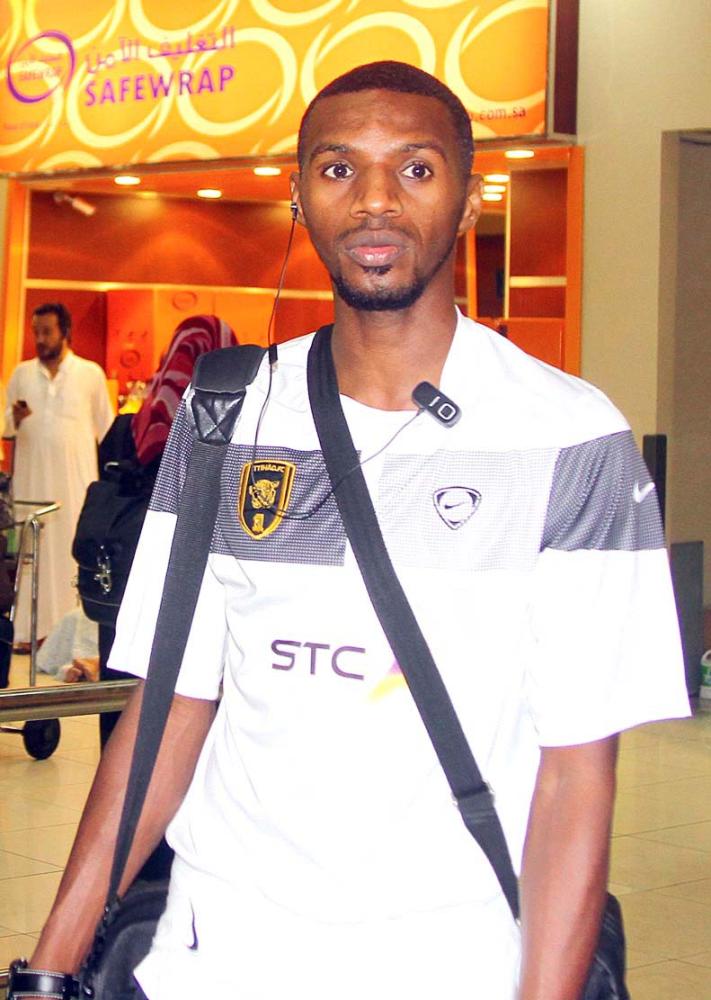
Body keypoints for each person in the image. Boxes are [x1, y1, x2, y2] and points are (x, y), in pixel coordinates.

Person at [21, 62, 689, 1000]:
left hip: (454, 964)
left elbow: (576, 776)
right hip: (213, 960)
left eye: (415, 168)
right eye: (339, 169)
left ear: (468, 199)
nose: (375, 199)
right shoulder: (225, 417)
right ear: (299, 197)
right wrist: (49, 966)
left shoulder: (571, 439)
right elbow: (171, 706)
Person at [95, 314, 237, 747]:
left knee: (120, 691)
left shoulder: (130, 424)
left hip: (122, 578)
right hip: (196, 588)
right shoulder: (235, 423)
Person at [5, 303, 114, 645]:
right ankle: (27, 633)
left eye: (47, 332)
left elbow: (107, 431)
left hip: (74, 485)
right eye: (36, 332)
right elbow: (5, 425)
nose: (40, 339)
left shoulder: (90, 373)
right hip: (32, 482)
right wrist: (14, 418)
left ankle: (67, 641)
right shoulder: (22, 374)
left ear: (65, 332)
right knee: (33, 554)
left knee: (71, 554)